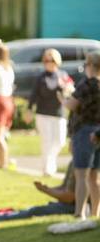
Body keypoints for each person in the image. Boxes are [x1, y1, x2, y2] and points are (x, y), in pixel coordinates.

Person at [0, 162, 76, 223]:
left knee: (34, 211)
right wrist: (47, 188)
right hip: (65, 204)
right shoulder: (74, 162)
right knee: (26, 210)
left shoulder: (79, 164)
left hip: (71, 207)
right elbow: (64, 188)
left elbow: (69, 197)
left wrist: (46, 190)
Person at [62, 50, 100, 219]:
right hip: (98, 132)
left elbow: (72, 105)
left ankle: (79, 213)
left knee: (81, 174)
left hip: (85, 131)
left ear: (91, 66)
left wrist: (63, 99)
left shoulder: (87, 85)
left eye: (86, 64)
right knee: (94, 176)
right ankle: (95, 212)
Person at [25, 49, 73, 177]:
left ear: (57, 61)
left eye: (51, 60)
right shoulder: (41, 77)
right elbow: (33, 95)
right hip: (43, 113)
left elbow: (70, 91)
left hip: (59, 114)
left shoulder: (63, 75)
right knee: (46, 141)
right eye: (46, 60)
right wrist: (29, 109)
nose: (48, 63)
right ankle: (47, 168)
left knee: (60, 141)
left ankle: (50, 162)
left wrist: (66, 88)